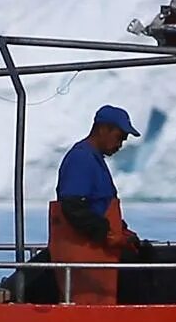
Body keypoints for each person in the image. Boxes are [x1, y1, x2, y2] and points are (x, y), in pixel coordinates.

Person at [48, 105, 141, 304]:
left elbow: (100, 207)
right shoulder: (81, 158)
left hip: (98, 256)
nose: (120, 144)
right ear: (103, 129)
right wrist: (108, 234)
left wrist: (124, 233)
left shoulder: (94, 159)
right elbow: (73, 207)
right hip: (85, 257)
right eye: (119, 137)